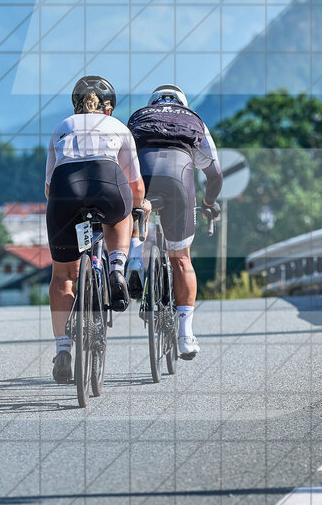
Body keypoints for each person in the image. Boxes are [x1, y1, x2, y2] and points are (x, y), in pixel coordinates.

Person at [45, 76, 145, 384]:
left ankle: (63, 351)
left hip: (65, 192)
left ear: (75, 106)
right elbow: (136, 186)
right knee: (122, 214)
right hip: (107, 186)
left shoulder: (61, 127)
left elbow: (49, 189)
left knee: (63, 276)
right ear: (109, 107)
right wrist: (139, 208)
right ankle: (116, 268)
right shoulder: (119, 128)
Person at [126, 84, 223, 360]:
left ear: (151, 103)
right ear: (183, 103)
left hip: (141, 178)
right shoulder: (194, 120)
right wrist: (207, 204)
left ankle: (135, 257)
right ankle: (185, 335)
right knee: (181, 258)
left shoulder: (137, 118)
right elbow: (214, 174)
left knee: (136, 208)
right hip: (178, 180)